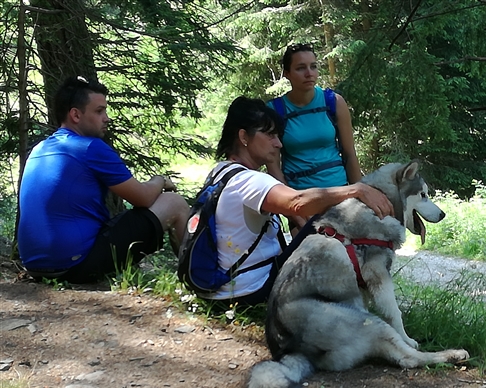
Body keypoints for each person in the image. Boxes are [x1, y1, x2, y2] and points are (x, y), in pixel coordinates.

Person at [201, 96, 393, 305]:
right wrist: (355, 190)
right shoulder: (249, 181)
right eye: (270, 135)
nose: (279, 143)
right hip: (251, 290)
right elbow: (297, 202)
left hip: (226, 286)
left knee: (318, 226)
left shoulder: (220, 172)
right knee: (331, 219)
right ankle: (353, 302)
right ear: (244, 137)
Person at [18, 75, 190, 284]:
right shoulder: (90, 147)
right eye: (99, 111)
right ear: (75, 115)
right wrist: (161, 180)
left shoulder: (39, 148)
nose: (106, 118)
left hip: (34, 265)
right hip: (74, 265)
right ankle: (200, 283)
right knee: (175, 203)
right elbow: (143, 198)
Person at [267, 43, 363, 231]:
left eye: (313, 66)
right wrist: (295, 212)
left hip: (342, 198)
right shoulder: (274, 111)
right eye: (300, 68)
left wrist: (361, 195)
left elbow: (350, 154)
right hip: (302, 202)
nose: (309, 73)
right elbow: (273, 168)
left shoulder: (333, 102)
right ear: (287, 73)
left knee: (350, 258)